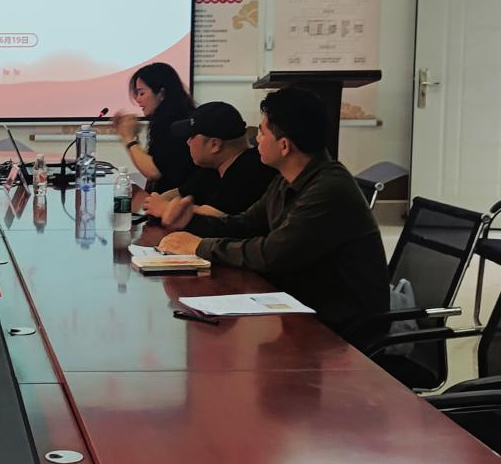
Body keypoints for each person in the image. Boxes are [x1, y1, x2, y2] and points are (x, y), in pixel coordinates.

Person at [158, 87, 389, 346]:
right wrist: (191, 222)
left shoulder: (328, 189)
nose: (256, 139)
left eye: (262, 132)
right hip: (301, 310)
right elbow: (246, 224)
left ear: (284, 145)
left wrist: (200, 246)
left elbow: (271, 254)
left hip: (342, 332)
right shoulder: (285, 180)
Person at [144, 101, 277, 221]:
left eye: (192, 136)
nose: (188, 142)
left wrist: (164, 208)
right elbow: (179, 193)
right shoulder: (214, 167)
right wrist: (158, 202)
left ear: (214, 145)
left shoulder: (249, 170)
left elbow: (215, 218)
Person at [113, 62, 197, 193]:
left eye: (141, 93)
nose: (137, 99)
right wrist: (129, 138)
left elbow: (154, 171)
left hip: (176, 200)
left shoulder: (176, 124)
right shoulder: (166, 118)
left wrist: (129, 139)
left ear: (161, 93)